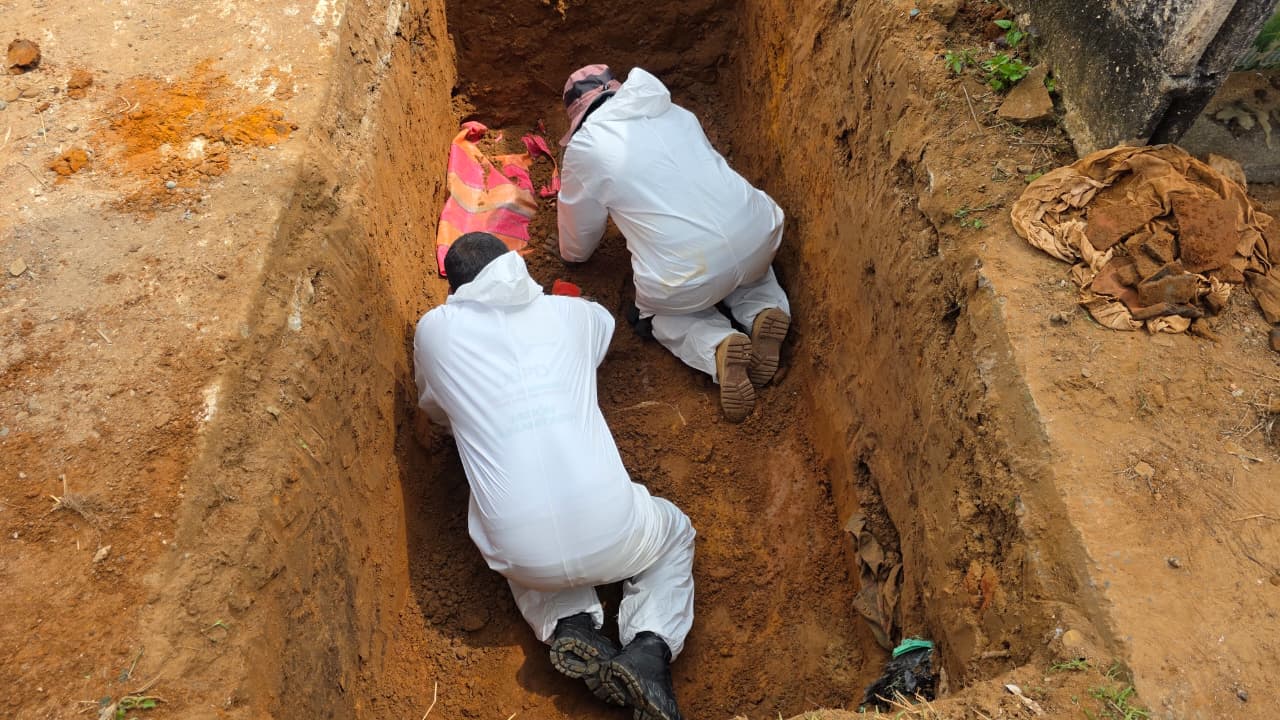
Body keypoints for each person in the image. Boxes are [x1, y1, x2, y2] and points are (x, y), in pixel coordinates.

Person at [413, 232, 694, 720]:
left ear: (455, 290)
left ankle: (569, 621)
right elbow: (603, 329)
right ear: (517, 268)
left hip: (522, 555)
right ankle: (649, 649)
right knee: (673, 535)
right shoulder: (573, 316)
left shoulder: (434, 332)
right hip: (615, 532)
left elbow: (436, 408)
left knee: (497, 499)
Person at [556, 64, 792, 423]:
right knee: (748, 265)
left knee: (658, 312)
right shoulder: (674, 111)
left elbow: (579, 241)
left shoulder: (586, 148)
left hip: (688, 276)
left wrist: (570, 255)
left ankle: (717, 345)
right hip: (759, 231)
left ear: (578, 115)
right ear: (617, 90)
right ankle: (764, 311)